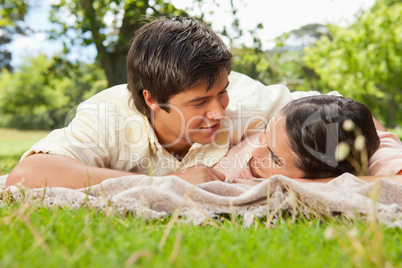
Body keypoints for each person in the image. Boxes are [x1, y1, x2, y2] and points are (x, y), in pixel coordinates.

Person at [5, 17, 400, 189]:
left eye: (221, 91)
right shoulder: (107, 116)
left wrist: (388, 169)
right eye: (199, 102)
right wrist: (163, 185)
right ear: (152, 99)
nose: (219, 111)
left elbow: (338, 112)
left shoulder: (244, 98)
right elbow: (29, 174)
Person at [213, 95, 383, 183]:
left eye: (274, 158)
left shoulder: (260, 190)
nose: (255, 151)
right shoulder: (282, 130)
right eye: (264, 133)